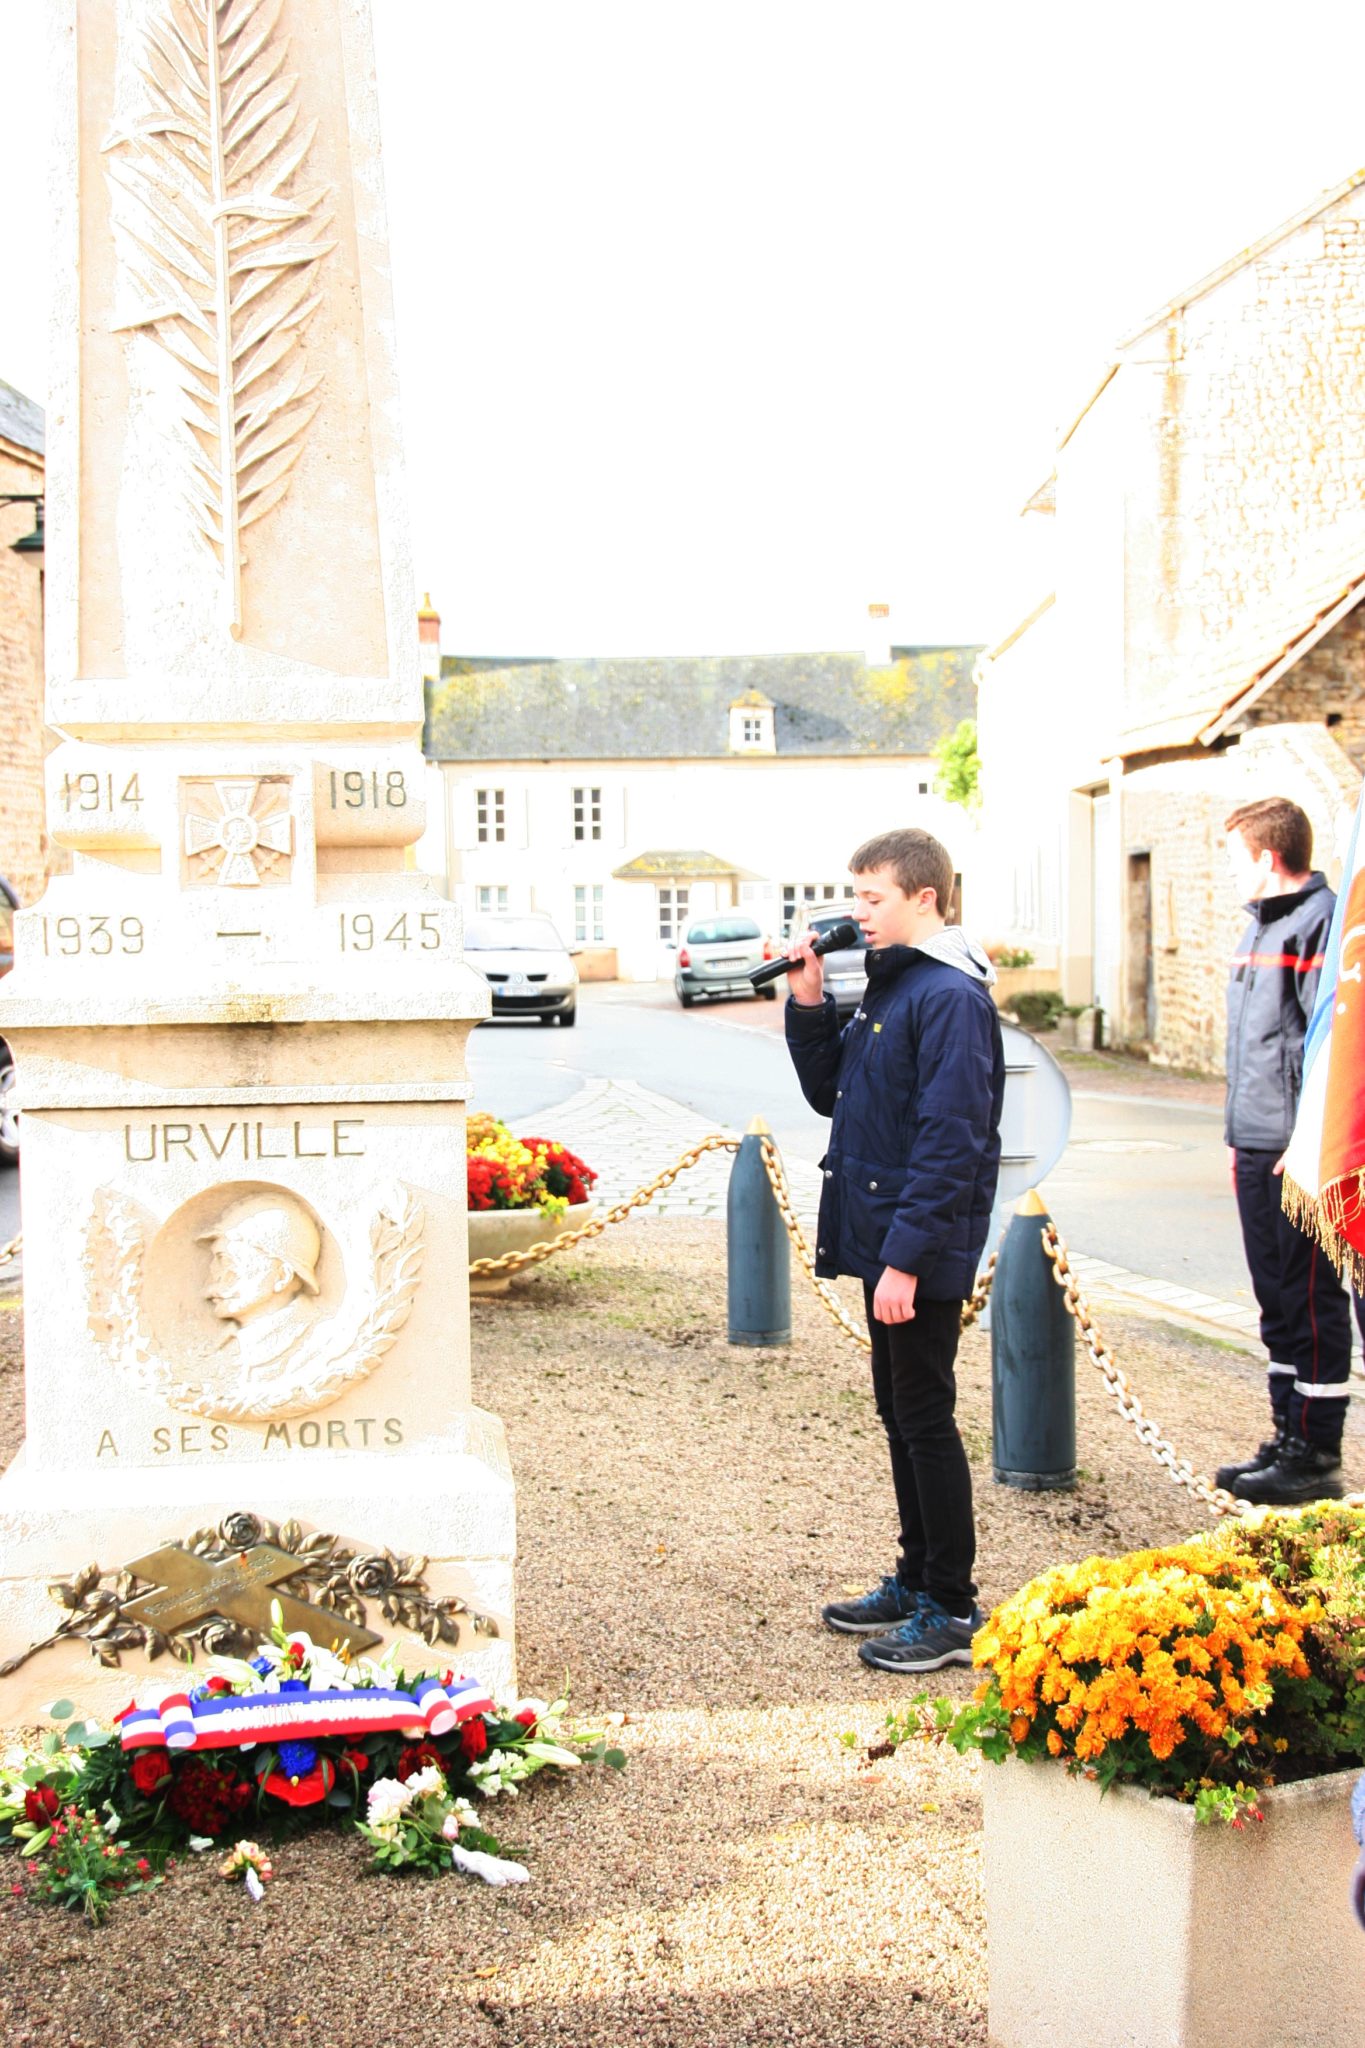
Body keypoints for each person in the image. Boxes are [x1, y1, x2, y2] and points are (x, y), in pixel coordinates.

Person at [784, 827, 1004, 1671]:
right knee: (900, 1413)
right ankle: (916, 1579)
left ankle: (951, 1607)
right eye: (857, 896)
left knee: (924, 1417)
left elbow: (951, 1139)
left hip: (919, 1244)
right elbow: (832, 1092)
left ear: (924, 897)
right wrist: (810, 1001)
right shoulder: (898, 983)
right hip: (887, 1235)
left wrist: (906, 1260)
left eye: (872, 897)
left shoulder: (949, 996)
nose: (859, 913)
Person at [1216, 796, 1351, 1503]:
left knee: (1308, 1297)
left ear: (1267, 857)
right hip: (1253, 1142)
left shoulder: (1318, 924)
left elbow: (1320, 1046)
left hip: (1296, 1151)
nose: (1230, 872)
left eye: (1234, 857)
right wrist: (1238, 1136)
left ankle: (1314, 1450)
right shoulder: (1258, 927)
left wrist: (1304, 1140)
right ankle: (1283, 1434)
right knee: (1274, 1299)